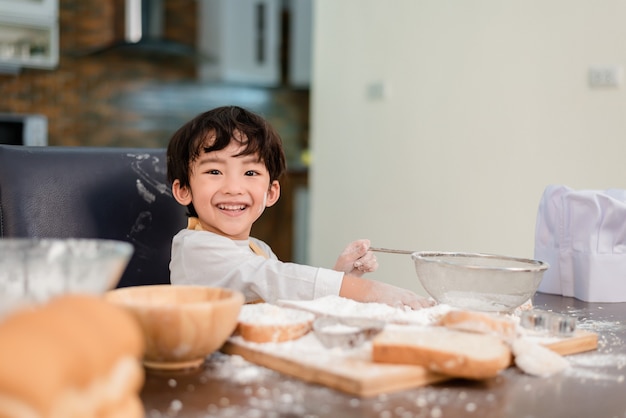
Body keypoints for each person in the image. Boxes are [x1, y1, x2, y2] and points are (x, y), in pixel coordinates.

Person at [166, 106, 432, 309]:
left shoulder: (257, 249)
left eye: (250, 173)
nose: (233, 187)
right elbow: (273, 279)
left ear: (271, 193)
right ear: (183, 190)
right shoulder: (193, 246)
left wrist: (340, 275)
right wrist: (368, 292)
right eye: (214, 171)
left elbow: (283, 298)